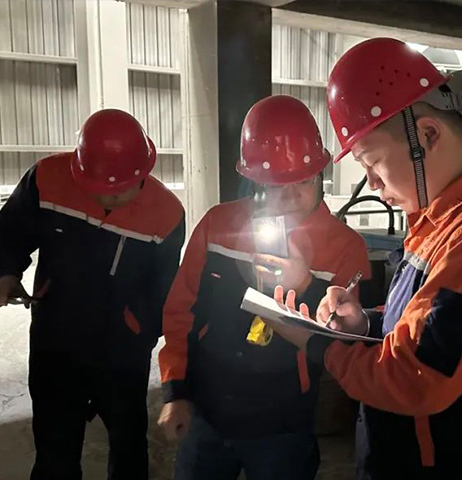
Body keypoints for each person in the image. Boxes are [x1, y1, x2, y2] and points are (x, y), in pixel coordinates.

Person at [269, 38, 462, 480]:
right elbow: (428, 320)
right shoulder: (444, 216)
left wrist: (315, 343)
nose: (371, 183)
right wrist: (366, 323)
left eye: (372, 162)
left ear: (427, 135)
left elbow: (415, 377)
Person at [157, 95, 371, 480]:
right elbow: (180, 311)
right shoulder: (218, 226)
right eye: (276, 185)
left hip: (284, 425)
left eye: (303, 180)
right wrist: (176, 390)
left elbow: (344, 343)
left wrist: (305, 285)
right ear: (254, 181)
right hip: (207, 415)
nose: (291, 196)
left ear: (320, 174)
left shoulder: (346, 248)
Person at [0, 109, 185, 480]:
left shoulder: (167, 214)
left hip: (123, 352)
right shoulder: (47, 178)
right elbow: (14, 232)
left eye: (120, 190)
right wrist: (7, 274)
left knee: (128, 446)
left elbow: (163, 289)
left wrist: (138, 329)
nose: (108, 197)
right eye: (97, 188)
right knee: (54, 450)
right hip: (55, 340)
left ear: (142, 172)